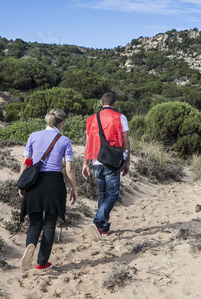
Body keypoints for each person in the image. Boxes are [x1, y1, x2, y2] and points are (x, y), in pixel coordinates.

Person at [19, 108, 78, 271]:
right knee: (49, 224)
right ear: (62, 122)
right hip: (54, 184)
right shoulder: (65, 140)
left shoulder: (33, 136)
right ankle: (42, 262)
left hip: (34, 182)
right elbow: (69, 169)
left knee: (34, 222)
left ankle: (29, 246)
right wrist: (74, 189)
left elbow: (25, 162)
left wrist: (22, 183)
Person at [82, 92, 130, 241]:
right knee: (113, 194)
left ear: (101, 103)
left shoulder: (91, 120)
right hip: (112, 161)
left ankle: (103, 227)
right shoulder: (120, 117)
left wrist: (86, 163)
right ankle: (97, 222)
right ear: (115, 104)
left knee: (103, 194)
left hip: (96, 161)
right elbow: (125, 142)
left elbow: (88, 142)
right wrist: (127, 161)